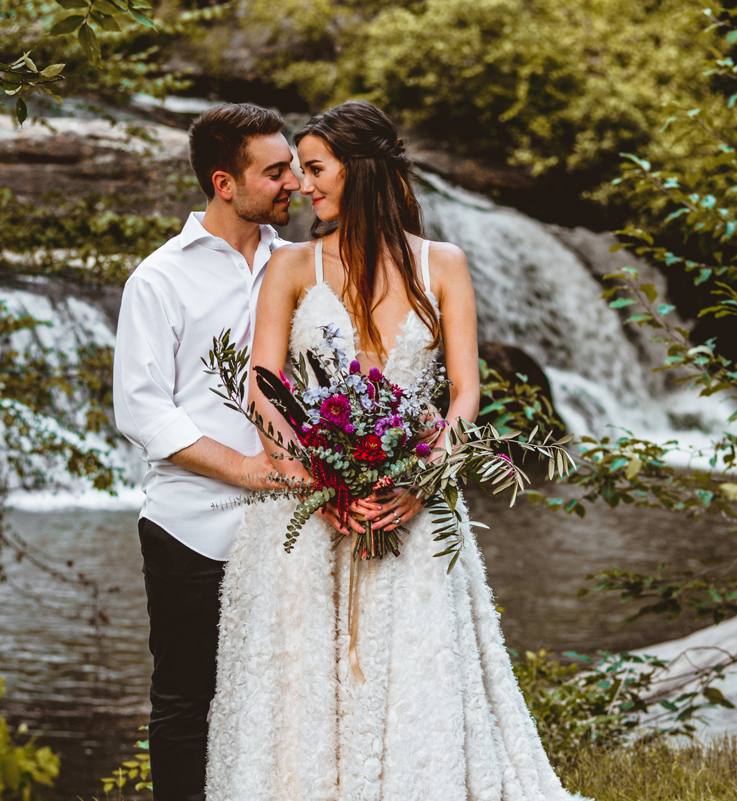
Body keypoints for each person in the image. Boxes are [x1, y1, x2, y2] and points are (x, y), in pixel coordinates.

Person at [206, 100, 589, 800]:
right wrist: (320, 477)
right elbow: (265, 388)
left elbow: (464, 393)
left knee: (416, 670)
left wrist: (423, 475)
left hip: (411, 504)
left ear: (363, 169)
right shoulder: (291, 266)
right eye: (296, 170)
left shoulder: (444, 264)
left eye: (315, 168)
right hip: (311, 516)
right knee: (306, 686)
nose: (300, 184)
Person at [112, 102, 301, 801]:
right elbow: (141, 408)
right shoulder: (158, 279)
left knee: (283, 696)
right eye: (275, 171)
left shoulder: (302, 267)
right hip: (192, 526)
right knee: (187, 702)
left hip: (291, 526)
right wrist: (249, 467)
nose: (294, 183)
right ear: (225, 183)